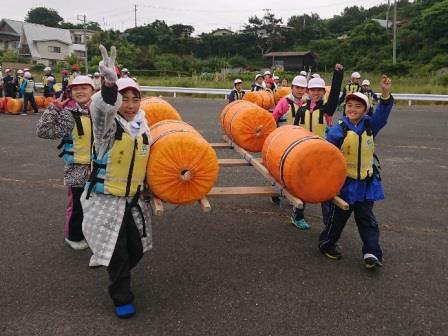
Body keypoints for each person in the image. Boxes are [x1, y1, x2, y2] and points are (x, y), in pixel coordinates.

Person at [81, 45, 152, 319]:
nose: (131, 105)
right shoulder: (107, 127)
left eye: (136, 98)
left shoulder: (144, 127)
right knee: (119, 252)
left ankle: (114, 267)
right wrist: (109, 86)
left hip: (133, 202)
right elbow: (101, 109)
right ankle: (121, 294)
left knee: (136, 249)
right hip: (106, 201)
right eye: (126, 99)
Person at [318, 75, 393, 270]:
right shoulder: (338, 129)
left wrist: (385, 93)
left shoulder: (370, 126)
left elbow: (383, 114)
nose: (352, 109)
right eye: (349, 105)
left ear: (365, 110)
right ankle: (327, 243)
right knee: (337, 219)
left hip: (367, 184)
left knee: (367, 220)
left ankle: (371, 253)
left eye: (358, 106)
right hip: (344, 183)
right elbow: (326, 152)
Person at [36, 75, 95, 249]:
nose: (80, 91)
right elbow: (43, 131)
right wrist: (54, 109)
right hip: (76, 169)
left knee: (94, 206)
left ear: (93, 91)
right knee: (77, 206)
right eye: (76, 88)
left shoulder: (101, 114)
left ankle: (90, 234)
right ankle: (74, 237)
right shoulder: (68, 114)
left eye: (84, 87)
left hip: (99, 169)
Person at [290, 64, 344, 230]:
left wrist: (338, 74)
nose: (316, 92)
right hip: (303, 153)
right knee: (302, 186)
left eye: (319, 90)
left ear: (323, 92)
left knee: (326, 189)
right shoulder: (301, 110)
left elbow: (335, 94)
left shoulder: (327, 109)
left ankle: (328, 223)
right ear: (308, 92)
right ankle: (297, 216)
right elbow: (295, 131)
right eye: (313, 90)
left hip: (323, 155)